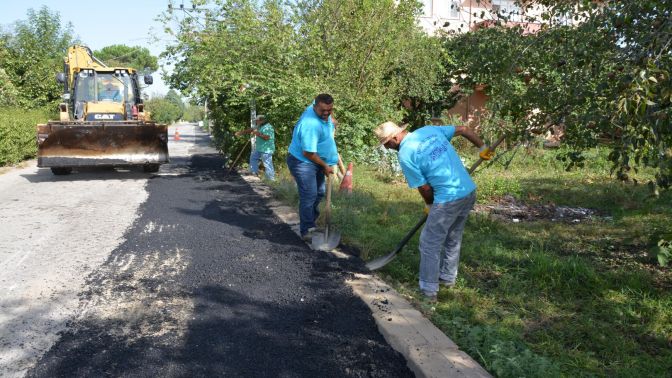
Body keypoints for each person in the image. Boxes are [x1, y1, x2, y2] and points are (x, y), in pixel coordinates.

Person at [373, 121, 495, 301]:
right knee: (453, 236)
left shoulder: (406, 154)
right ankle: (447, 278)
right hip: (468, 191)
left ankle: (428, 291)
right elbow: (463, 129)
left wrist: (430, 205)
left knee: (429, 242)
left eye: (387, 144)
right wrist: (482, 147)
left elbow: (425, 189)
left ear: (396, 138)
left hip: (448, 198)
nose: (388, 148)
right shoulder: (429, 130)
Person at [287, 94, 339, 242]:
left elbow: (327, 112)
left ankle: (311, 222)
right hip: (303, 161)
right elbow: (308, 153)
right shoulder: (310, 125)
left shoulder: (318, 107)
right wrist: (325, 166)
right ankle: (307, 229)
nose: (326, 113)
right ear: (315, 107)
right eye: (323, 110)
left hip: (316, 161)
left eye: (330, 110)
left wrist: (331, 120)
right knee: (309, 195)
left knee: (319, 193)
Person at [235, 115, 275, 180]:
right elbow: (251, 130)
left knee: (267, 164)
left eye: (257, 121)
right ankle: (254, 173)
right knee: (253, 158)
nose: (256, 122)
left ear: (262, 120)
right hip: (260, 148)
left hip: (267, 149)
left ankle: (271, 179)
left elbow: (267, 138)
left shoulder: (268, 127)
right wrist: (240, 133)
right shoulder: (259, 126)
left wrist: (257, 133)